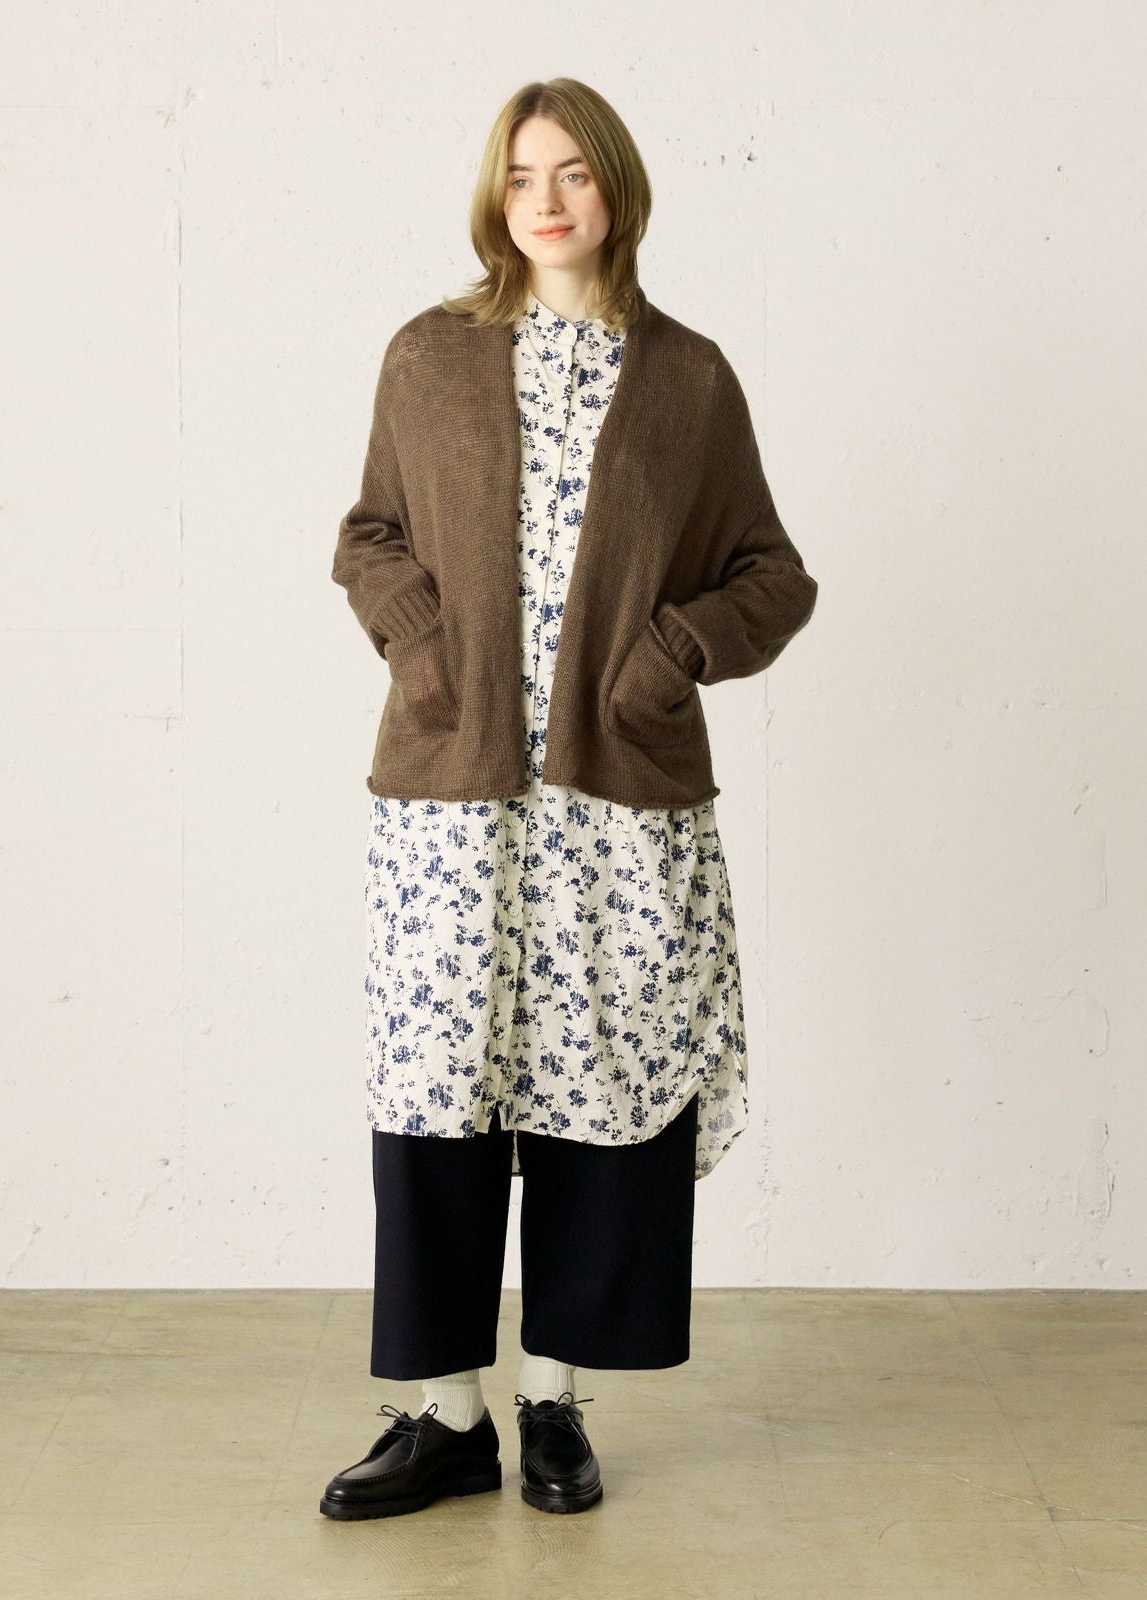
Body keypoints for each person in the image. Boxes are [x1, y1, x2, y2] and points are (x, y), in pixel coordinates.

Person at [321, 77, 817, 1521]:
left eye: (574, 174)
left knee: (599, 1086)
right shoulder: (428, 355)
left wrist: (673, 656)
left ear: (616, 189)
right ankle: (444, 1418)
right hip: (452, 801)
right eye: (523, 175)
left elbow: (773, 576)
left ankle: (554, 1404)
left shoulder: (688, 381)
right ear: (497, 195)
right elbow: (368, 536)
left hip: (618, 806)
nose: (546, 201)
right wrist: (422, 646)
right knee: (438, 1089)